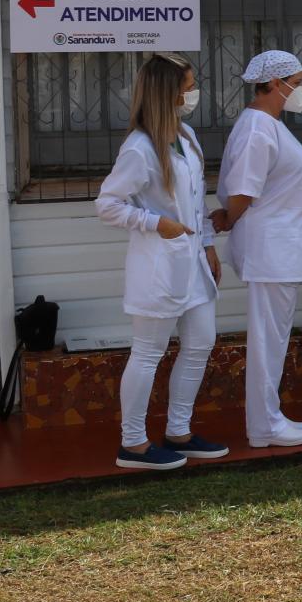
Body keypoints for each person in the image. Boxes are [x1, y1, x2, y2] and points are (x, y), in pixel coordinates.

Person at [96, 53, 226, 470]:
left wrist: (208, 244)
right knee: (148, 352)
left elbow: (196, 200)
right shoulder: (139, 148)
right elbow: (108, 205)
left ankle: (179, 431)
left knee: (201, 342)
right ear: (167, 93)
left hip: (193, 266)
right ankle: (132, 444)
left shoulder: (185, 135)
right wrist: (156, 224)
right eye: (188, 87)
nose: (194, 93)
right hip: (159, 267)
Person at [217, 49, 302, 450]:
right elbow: (244, 189)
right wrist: (228, 219)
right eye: (297, 82)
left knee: (273, 339)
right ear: (275, 84)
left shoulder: (269, 124)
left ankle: (269, 417)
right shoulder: (258, 127)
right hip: (270, 249)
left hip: (281, 248)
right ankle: (264, 425)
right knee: (267, 341)